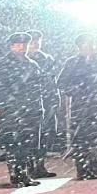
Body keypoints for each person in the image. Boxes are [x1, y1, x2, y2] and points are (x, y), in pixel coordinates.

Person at [56, 35, 97, 179]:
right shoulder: (73, 63)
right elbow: (62, 83)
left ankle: (93, 166)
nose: (89, 48)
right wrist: (80, 91)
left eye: (90, 45)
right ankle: (83, 170)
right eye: (85, 46)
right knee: (82, 140)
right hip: (82, 108)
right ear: (79, 47)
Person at [0, 32, 45, 187]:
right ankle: (15, 174)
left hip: (29, 110)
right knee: (13, 143)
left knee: (26, 144)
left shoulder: (32, 64)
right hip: (11, 110)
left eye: (25, 45)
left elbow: (38, 89)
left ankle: (24, 174)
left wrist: (38, 108)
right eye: (19, 45)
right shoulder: (3, 64)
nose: (22, 48)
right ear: (12, 46)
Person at [25, 32, 60, 178]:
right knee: (30, 135)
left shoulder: (47, 59)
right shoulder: (23, 60)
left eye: (38, 41)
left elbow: (53, 81)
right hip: (28, 103)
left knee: (47, 134)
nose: (36, 43)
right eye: (32, 41)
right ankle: (29, 167)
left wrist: (54, 99)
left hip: (47, 101)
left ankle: (39, 165)